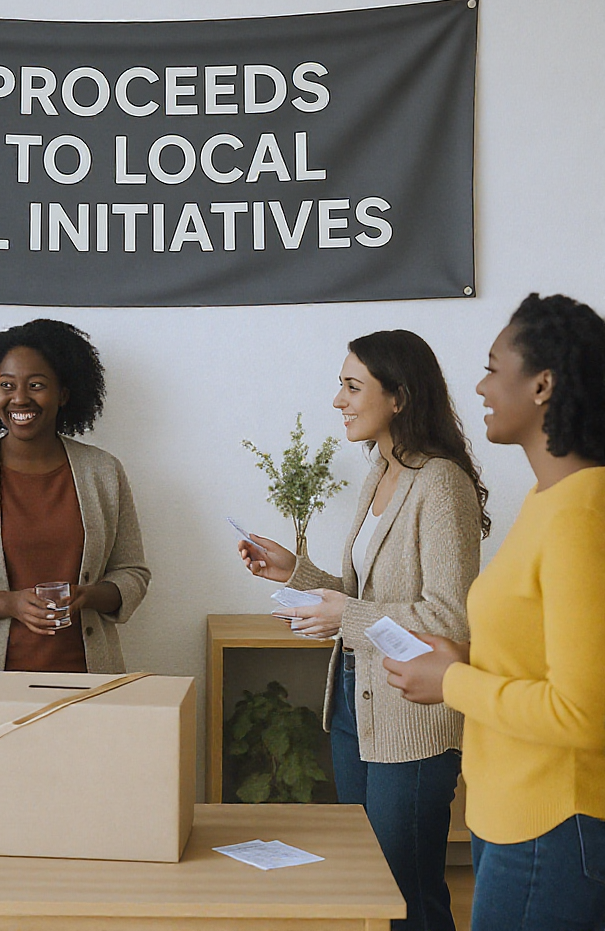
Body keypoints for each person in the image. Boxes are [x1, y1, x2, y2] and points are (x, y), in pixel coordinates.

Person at [238, 330, 488, 931]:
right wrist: (294, 571)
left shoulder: (441, 484)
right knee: (372, 883)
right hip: (355, 703)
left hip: (412, 713)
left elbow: (449, 621)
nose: (338, 400)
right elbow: (369, 597)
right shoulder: (381, 468)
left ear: (398, 397)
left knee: (408, 891)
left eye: (353, 386)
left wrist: (344, 617)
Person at [384, 294, 605, 931]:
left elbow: (585, 714)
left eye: (490, 367)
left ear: (543, 384)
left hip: (554, 824)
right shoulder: (547, 500)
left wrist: (451, 682)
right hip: (512, 815)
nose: (478, 385)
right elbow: (539, 653)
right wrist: (467, 660)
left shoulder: (581, 513)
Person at [0, 319, 150, 727]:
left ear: (65, 393)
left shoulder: (103, 472)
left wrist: (89, 595)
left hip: (89, 688)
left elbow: (133, 572)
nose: (19, 398)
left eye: (37, 385)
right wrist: (10, 603)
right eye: (7, 385)